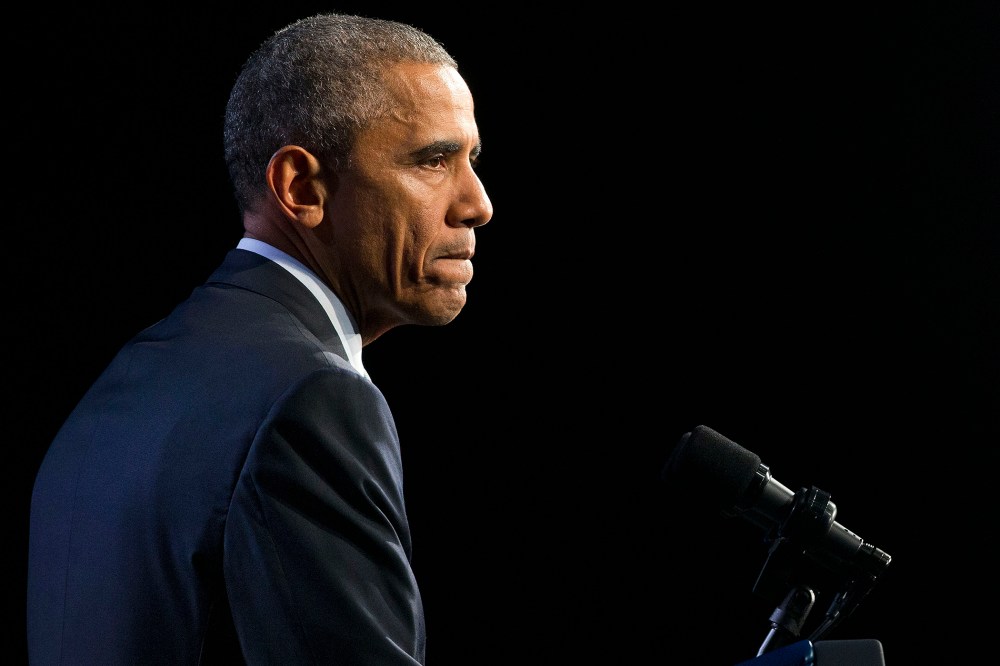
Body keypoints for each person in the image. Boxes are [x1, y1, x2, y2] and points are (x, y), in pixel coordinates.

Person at [27, 12, 492, 665]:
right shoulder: (312, 398)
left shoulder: (129, 378)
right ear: (302, 188)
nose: (477, 204)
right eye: (434, 160)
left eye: (472, 160)